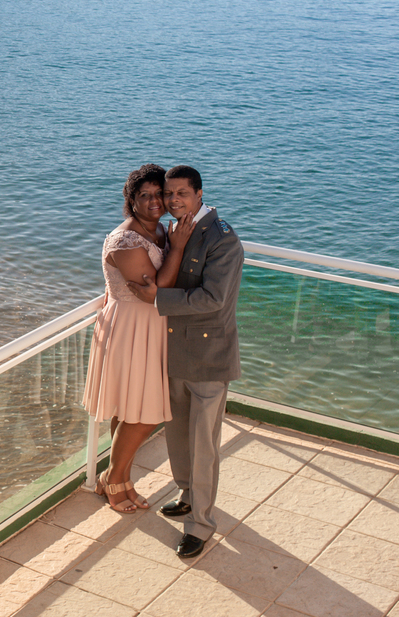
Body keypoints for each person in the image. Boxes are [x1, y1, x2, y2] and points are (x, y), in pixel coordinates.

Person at [127, 165, 243, 558]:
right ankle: (188, 495)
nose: (173, 200)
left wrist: (157, 300)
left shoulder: (222, 239)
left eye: (181, 193)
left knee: (205, 444)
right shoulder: (177, 230)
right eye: (169, 193)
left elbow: (213, 299)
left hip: (209, 357)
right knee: (178, 434)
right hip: (175, 350)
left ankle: (201, 526)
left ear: (199, 194)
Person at [83, 164, 191, 512]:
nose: (155, 201)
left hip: (150, 327)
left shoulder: (160, 231)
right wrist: (179, 246)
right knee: (144, 413)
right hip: (131, 328)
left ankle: (117, 478)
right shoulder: (126, 240)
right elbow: (158, 291)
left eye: (159, 193)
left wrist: (171, 241)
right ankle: (114, 478)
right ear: (131, 200)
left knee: (132, 407)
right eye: (144, 195)